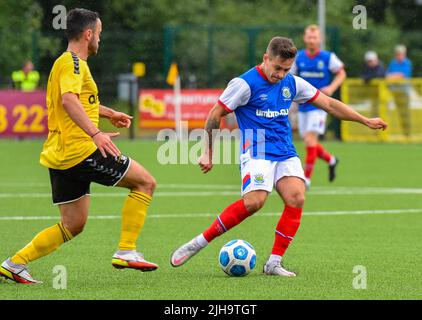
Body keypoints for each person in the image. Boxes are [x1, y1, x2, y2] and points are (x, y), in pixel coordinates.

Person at [170, 37, 387, 277]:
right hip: (258, 151)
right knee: (255, 202)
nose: (281, 74)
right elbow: (215, 114)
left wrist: (365, 120)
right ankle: (199, 242)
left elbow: (329, 104)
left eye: (286, 69)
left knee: (297, 198)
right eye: (277, 68)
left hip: (285, 151)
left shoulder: (292, 83)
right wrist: (207, 151)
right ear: (266, 58)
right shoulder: (244, 84)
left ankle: (274, 263)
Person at [0, 8, 158, 284]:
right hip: (81, 151)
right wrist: (97, 133)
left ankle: (15, 263)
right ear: (88, 34)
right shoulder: (73, 63)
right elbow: (69, 101)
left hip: (60, 155)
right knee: (145, 183)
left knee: (73, 224)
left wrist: (109, 114)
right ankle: (127, 250)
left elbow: (82, 102)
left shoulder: (67, 63)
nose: (100, 39)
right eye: (99, 33)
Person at [291, 25, 346, 189]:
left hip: (320, 105)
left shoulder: (328, 57)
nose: (312, 40)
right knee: (310, 143)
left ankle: (306, 178)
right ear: (304, 38)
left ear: (320, 39)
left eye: (315, 37)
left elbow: (342, 73)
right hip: (303, 105)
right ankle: (331, 160)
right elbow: (290, 75)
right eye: (309, 37)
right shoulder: (298, 57)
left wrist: (331, 88)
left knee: (309, 139)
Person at [386, 45, 413, 137]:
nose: (399, 55)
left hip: (403, 92)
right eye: (397, 54)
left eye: (401, 54)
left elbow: (401, 75)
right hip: (393, 92)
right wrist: (394, 76)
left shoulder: (407, 63)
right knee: (389, 113)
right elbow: (387, 76)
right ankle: (388, 133)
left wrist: (392, 76)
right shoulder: (393, 63)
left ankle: (407, 134)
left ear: (404, 54)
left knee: (404, 114)